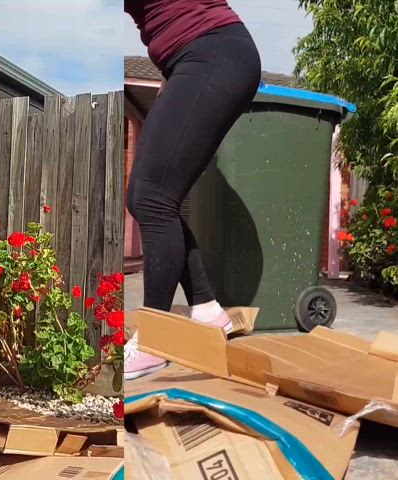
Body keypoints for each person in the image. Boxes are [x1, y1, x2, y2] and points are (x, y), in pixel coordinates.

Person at [123, 0, 262, 380]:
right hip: (192, 60)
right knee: (147, 196)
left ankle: (155, 343)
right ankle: (205, 308)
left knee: (152, 197)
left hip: (212, 50)